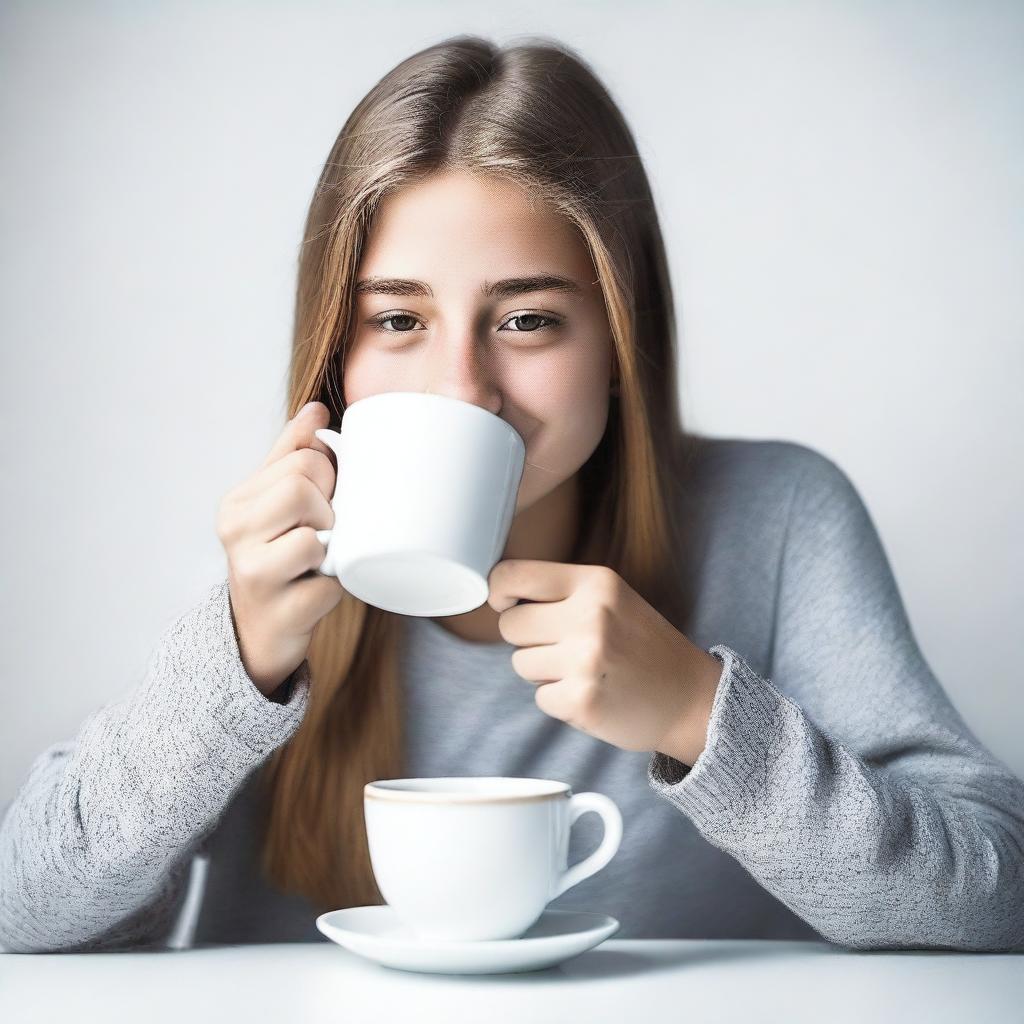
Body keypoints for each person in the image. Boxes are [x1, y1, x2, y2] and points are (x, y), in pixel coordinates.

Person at [2, 34, 1022, 955]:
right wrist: (236, 666)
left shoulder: (780, 517)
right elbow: (26, 910)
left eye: (526, 320)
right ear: (334, 355)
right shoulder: (277, 547)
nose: (461, 386)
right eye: (398, 320)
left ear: (622, 342)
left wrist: (697, 714)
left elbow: (995, 895)